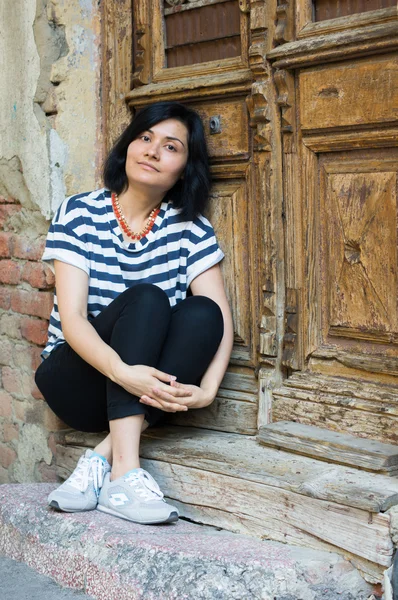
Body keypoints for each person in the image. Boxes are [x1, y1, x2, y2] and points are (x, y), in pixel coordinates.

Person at [34, 101, 234, 525]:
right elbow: (72, 320)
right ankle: (126, 473)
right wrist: (125, 373)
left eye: (171, 146)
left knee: (203, 313)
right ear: (127, 146)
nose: (152, 151)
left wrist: (209, 390)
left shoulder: (191, 228)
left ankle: (102, 460)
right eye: (145, 138)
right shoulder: (79, 213)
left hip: (140, 392)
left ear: (185, 167)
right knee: (146, 298)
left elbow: (220, 317)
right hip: (77, 379)